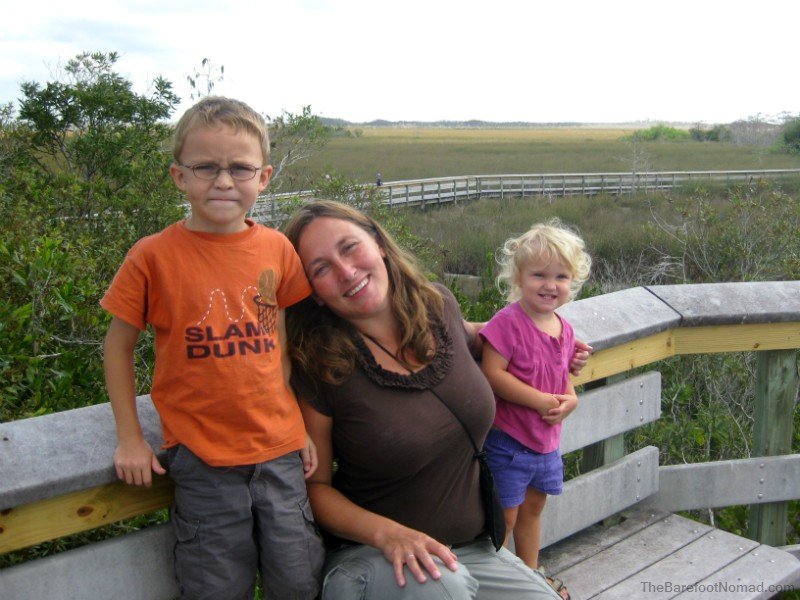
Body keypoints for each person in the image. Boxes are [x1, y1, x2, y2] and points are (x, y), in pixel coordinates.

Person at [284, 200, 589, 599]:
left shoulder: (437, 308)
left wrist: (553, 348)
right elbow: (316, 488)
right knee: (443, 589)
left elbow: (481, 337)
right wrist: (388, 534)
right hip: (374, 558)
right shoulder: (322, 364)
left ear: (378, 244)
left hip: (470, 551)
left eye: (349, 247)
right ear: (315, 293)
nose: (346, 271)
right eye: (321, 268)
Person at [101, 96, 324, 600]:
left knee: (298, 578)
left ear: (263, 177)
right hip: (201, 459)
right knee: (216, 586)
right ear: (180, 176)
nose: (223, 181)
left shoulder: (276, 250)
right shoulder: (153, 257)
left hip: (281, 451)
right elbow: (117, 348)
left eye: (239, 168)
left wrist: (300, 427)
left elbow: (280, 343)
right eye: (206, 167)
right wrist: (130, 439)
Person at [479, 219, 591, 587]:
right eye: (539, 275)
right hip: (510, 442)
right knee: (504, 518)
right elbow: (492, 373)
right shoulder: (507, 323)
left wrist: (570, 402)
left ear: (572, 281)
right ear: (518, 278)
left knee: (534, 510)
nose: (550, 285)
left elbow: (562, 382)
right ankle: (497, 584)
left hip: (546, 445)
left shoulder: (565, 327)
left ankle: (531, 577)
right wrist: (540, 400)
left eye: (560, 277)